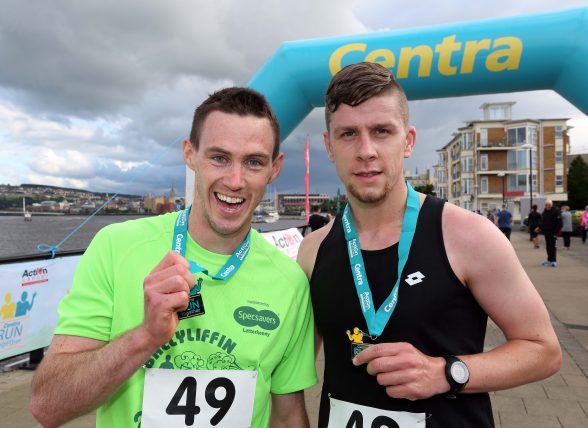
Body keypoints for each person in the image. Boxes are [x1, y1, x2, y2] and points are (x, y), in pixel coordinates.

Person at [30, 88, 317, 428]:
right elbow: (47, 406)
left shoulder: (290, 283)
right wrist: (145, 336)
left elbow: (287, 418)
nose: (235, 181)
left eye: (253, 162)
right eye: (219, 158)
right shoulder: (116, 246)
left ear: (274, 168)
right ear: (190, 154)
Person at [296, 62, 561, 428]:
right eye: (348, 134)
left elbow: (543, 350)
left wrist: (444, 372)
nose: (366, 150)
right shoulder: (312, 251)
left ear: (408, 141)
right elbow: (292, 366)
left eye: (382, 131)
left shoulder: (469, 236)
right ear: (329, 145)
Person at [535, 199, 562, 267]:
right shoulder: (545, 211)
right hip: (547, 232)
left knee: (552, 246)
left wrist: (556, 231)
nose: (547, 206)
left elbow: (560, 223)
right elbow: (543, 221)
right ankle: (549, 260)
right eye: (546, 205)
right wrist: (539, 227)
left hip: (554, 232)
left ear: (551, 204)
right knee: (548, 246)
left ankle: (554, 261)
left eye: (549, 205)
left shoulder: (556, 211)